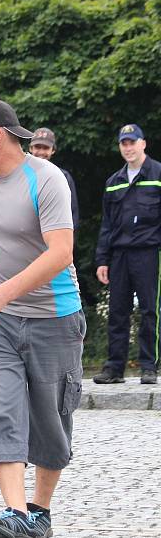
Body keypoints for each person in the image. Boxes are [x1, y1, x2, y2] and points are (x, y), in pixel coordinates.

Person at [0, 99, 85, 538]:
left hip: (54, 317)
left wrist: (3, 292)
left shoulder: (47, 179)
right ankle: (15, 512)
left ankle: (40, 512)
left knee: (51, 423)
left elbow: (61, 254)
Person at [94, 124, 161, 385]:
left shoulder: (157, 174)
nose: (128, 147)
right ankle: (115, 368)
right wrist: (102, 259)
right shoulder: (113, 182)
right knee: (117, 311)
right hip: (119, 254)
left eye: (133, 142)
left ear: (143, 143)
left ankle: (149, 366)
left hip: (149, 252)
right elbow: (107, 225)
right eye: (124, 143)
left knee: (149, 310)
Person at [29, 127, 79, 230]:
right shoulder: (20, 175)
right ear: (30, 149)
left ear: (53, 150)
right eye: (38, 147)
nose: (41, 152)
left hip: (55, 237)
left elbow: (72, 214)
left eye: (46, 148)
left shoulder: (63, 177)